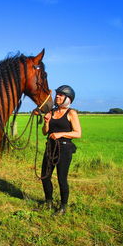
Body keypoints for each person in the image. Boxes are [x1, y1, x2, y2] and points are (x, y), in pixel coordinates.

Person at [41, 85, 81, 215]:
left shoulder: (71, 113)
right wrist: (46, 122)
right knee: (44, 176)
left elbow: (77, 133)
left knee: (61, 178)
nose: (57, 96)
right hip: (50, 147)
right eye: (57, 94)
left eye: (61, 95)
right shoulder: (51, 112)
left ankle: (63, 207)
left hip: (64, 149)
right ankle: (48, 202)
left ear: (68, 99)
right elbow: (44, 132)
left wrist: (60, 134)